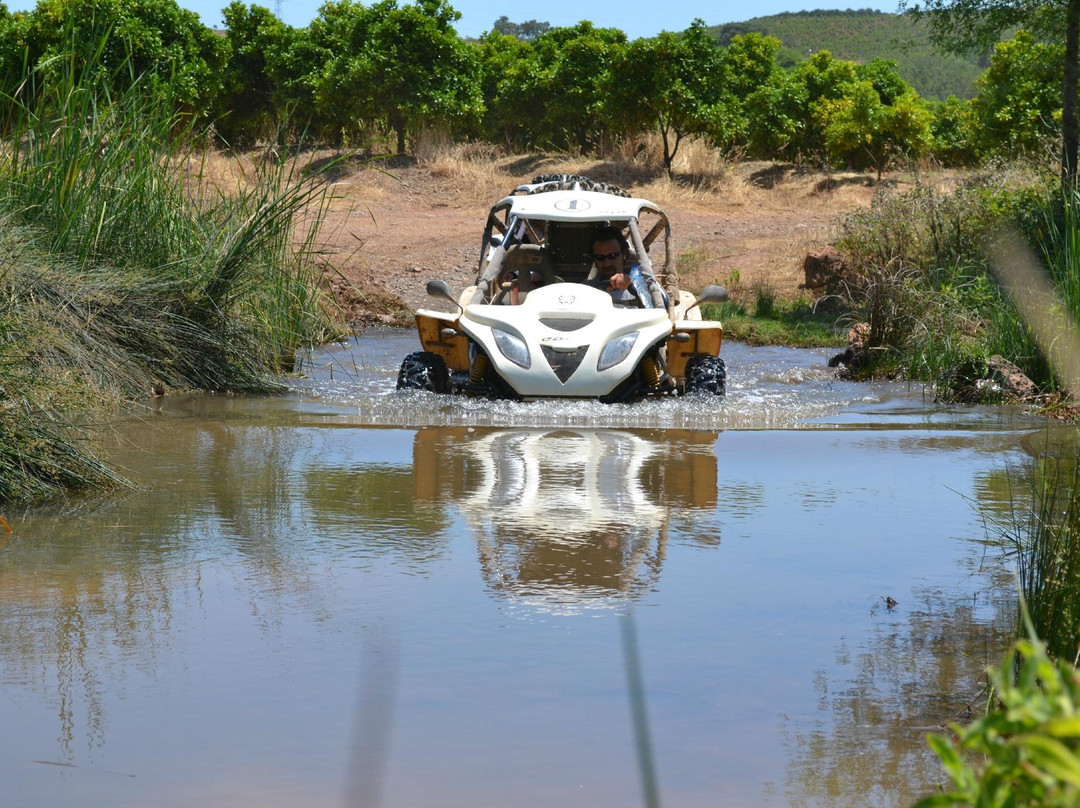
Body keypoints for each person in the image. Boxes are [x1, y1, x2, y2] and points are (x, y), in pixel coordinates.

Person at [586, 226, 666, 308]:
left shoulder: (640, 282)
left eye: (612, 256)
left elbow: (661, 303)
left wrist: (632, 285)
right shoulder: (585, 289)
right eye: (600, 258)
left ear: (623, 254)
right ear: (594, 260)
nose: (607, 264)